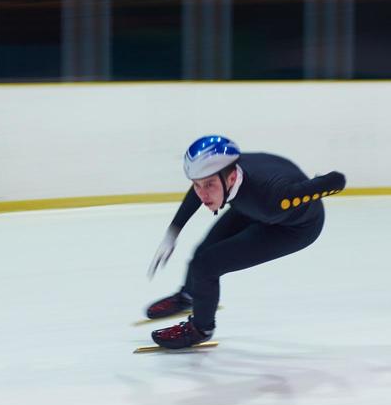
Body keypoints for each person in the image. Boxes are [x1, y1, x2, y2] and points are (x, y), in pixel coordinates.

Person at [144, 135, 345, 349]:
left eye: (209, 185)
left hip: (293, 228)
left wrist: (319, 183)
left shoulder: (276, 198)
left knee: (206, 265)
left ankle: (200, 329)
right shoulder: (224, 173)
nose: (202, 194)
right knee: (202, 252)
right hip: (253, 206)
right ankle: (189, 296)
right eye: (197, 185)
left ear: (231, 178)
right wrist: (173, 232)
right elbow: (202, 186)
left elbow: (337, 181)